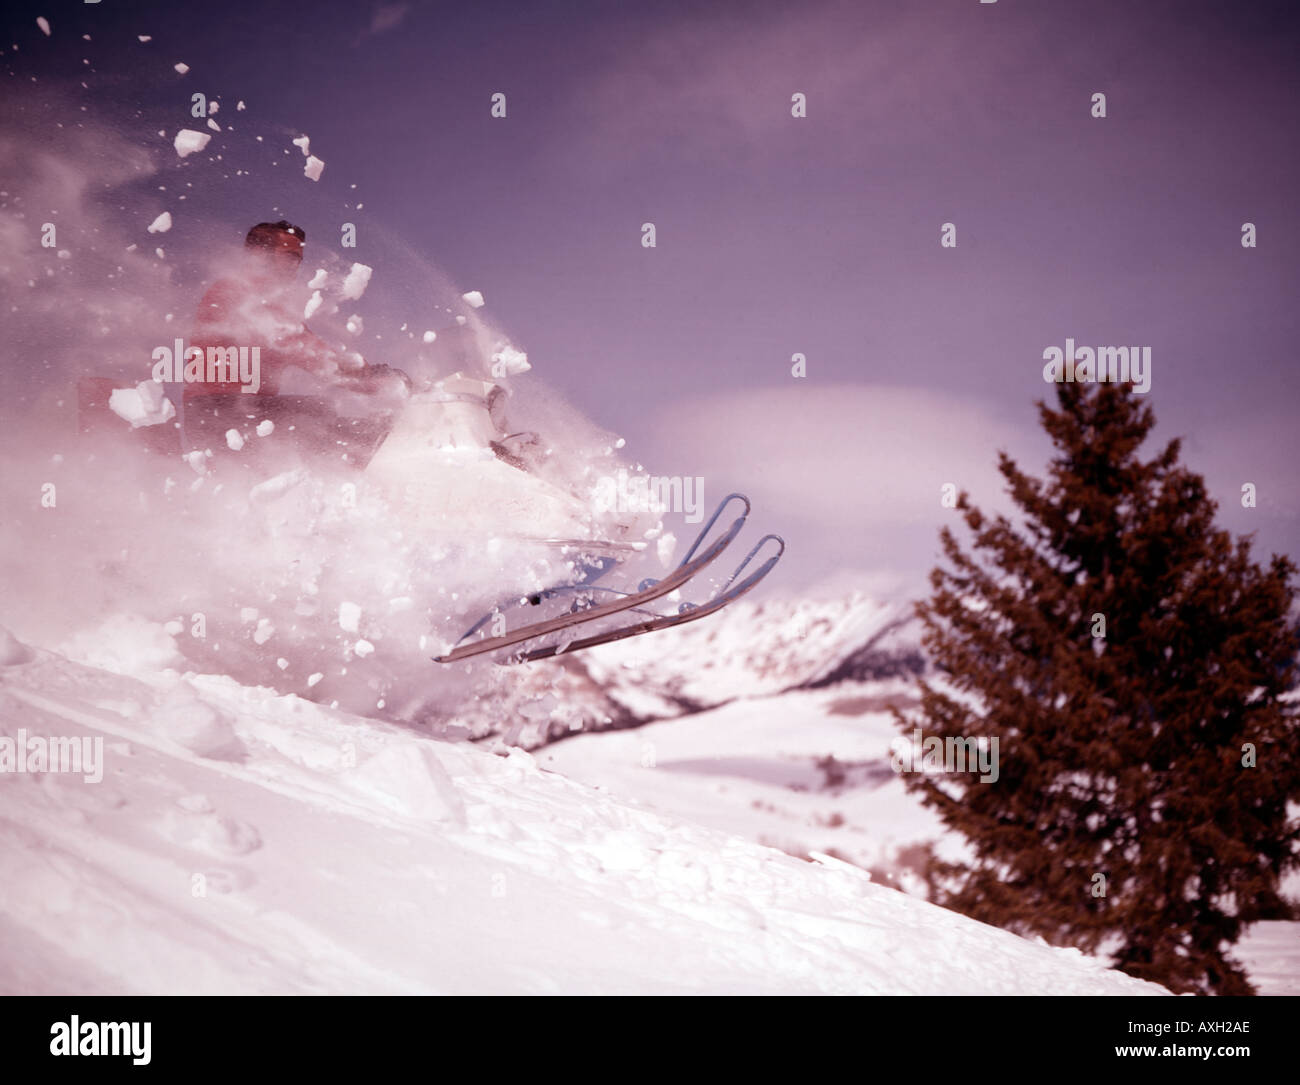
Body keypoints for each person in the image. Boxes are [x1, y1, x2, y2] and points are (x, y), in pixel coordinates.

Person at [182, 221, 407, 463]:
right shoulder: (243, 298)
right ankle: (361, 463)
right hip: (224, 416)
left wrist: (370, 373)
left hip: (228, 416)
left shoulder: (253, 297)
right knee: (316, 420)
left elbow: (308, 347)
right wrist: (387, 383)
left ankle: (338, 474)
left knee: (314, 414)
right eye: (289, 257)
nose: (295, 267)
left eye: (298, 260)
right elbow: (317, 357)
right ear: (262, 256)